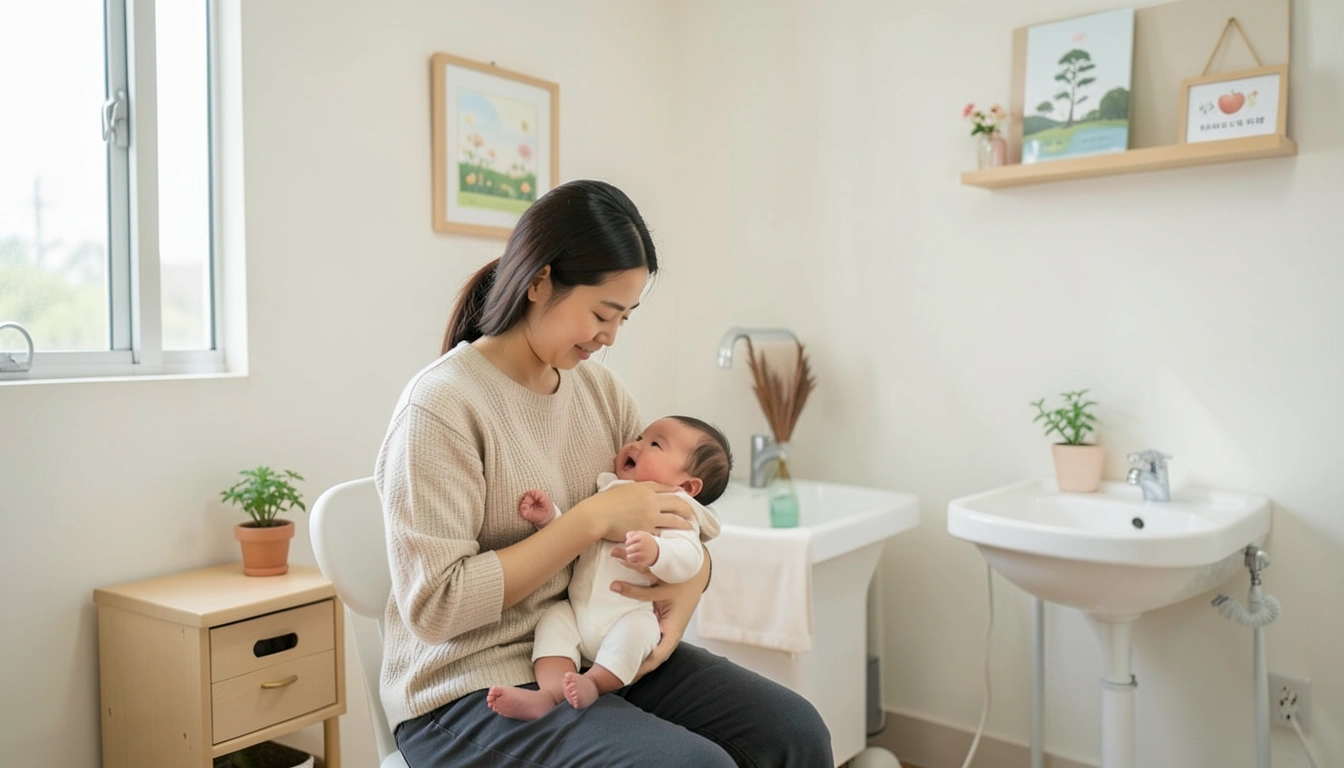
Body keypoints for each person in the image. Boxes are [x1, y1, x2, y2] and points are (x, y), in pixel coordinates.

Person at [375, 179, 832, 767]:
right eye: (602, 312)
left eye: (625, 317)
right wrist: (586, 523)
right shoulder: (441, 407)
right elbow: (437, 608)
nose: (611, 336)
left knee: (794, 731)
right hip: (462, 691)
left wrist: (693, 581)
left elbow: (670, 514)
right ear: (539, 281)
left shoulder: (601, 392)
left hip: (589, 649)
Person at [487, 415, 729, 721]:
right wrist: (550, 520)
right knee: (552, 621)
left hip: (627, 616)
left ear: (687, 485)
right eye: (640, 437)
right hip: (578, 611)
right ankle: (547, 695)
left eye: (654, 444)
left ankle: (593, 683)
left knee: (639, 632)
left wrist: (657, 553)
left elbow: (689, 558)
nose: (637, 444)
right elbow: (578, 538)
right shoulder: (610, 493)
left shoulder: (675, 511)